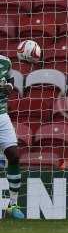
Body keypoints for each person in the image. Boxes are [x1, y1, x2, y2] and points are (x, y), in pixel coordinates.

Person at [0, 55, 24, 219]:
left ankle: (13, 204)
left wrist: (8, 86)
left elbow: (10, 80)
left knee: (14, 156)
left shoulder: (4, 62)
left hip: (2, 116)